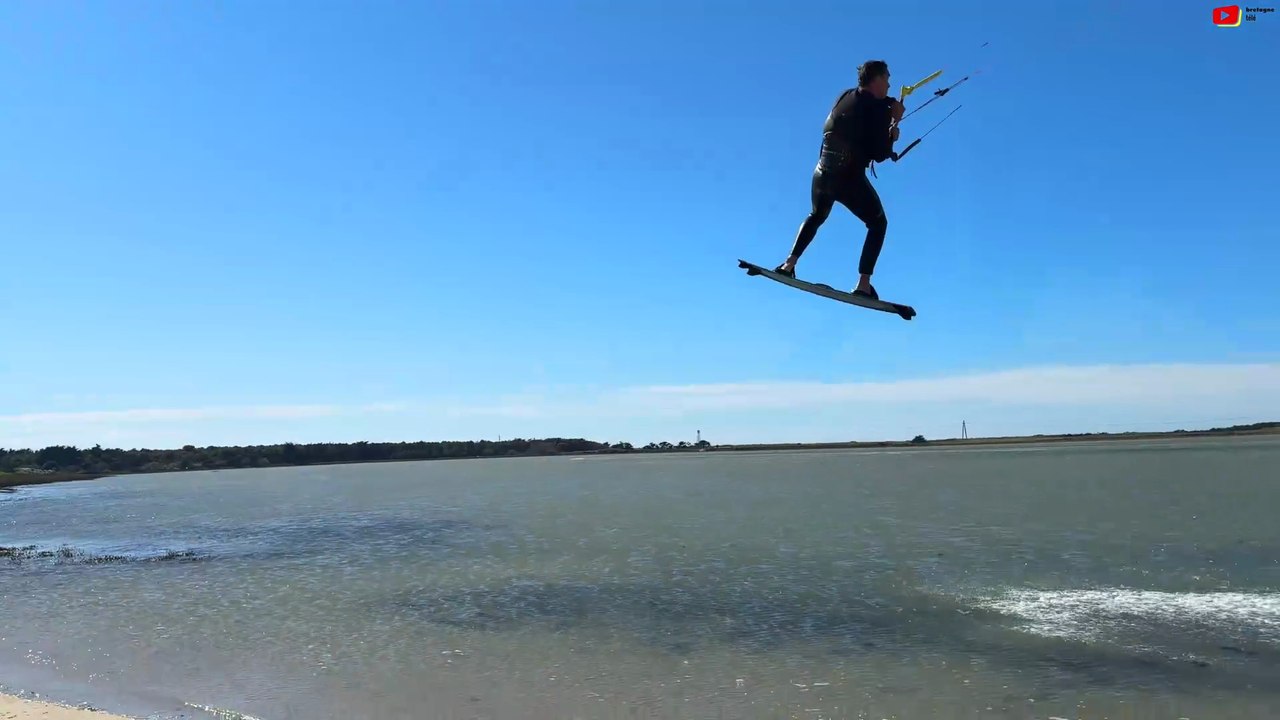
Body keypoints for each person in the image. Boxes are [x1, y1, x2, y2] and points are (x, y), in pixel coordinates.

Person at [775, 60, 903, 300]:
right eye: (886, 79)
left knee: (817, 216)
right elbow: (880, 153)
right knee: (878, 224)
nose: (889, 84)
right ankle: (864, 284)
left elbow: (861, 109)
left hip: (822, 173)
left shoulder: (845, 95)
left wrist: (889, 105)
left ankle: (788, 264)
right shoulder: (876, 111)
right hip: (848, 179)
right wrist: (894, 126)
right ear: (876, 79)